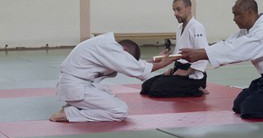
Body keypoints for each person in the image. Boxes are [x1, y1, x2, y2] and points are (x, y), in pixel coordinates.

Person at [49, 32, 178, 122]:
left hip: (75, 85)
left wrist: (154, 60)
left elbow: (132, 64)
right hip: (75, 87)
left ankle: (74, 107)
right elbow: (133, 68)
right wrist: (160, 65)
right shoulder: (111, 48)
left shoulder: (106, 45)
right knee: (120, 110)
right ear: (125, 52)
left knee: (108, 92)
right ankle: (69, 114)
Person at [140, 0, 209, 97]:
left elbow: (204, 54)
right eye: (174, 10)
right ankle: (191, 86)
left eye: (178, 9)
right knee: (146, 87)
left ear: (188, 8)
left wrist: (187, 72)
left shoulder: (196, 27)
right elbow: (179, 54)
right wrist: (173, 69)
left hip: (192, 74)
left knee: (156, 90)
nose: (175, 13)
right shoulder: (180, 27)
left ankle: (196, 88)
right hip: (179, 70)